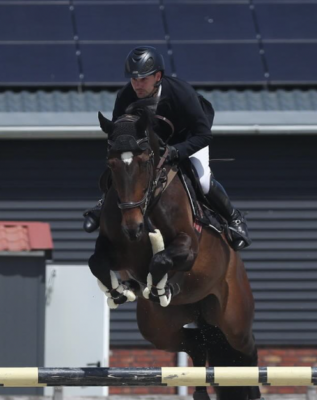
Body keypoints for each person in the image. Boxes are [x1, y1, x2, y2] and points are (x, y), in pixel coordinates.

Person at [83, 46, 251, 251]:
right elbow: (121, 136)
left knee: (203, 179)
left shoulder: (181, 94)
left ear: (158, 76)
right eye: (134, 79)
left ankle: (234, 218)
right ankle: (103, 205)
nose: (137, 85)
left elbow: (204, 135)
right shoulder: (125, 95)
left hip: (190, 139)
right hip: (153, 144)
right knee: (126, 168)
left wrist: (177, 151)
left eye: (143, 79)